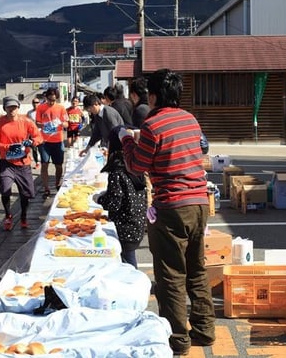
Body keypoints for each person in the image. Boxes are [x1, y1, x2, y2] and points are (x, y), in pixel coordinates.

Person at [119, 69, 215, 356]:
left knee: (171, 274)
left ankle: (178, 338)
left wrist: (126, 140)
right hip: (200, 202)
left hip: (172, 206)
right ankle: (205, 330)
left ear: (154, 95)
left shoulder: (152, 125)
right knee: (196, 269)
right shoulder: (190, 119)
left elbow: (137, 166)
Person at [92, 125, 147, 268]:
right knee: (129, 257)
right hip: (137, 221)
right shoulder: (134, 164)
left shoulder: (117, 170)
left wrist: (99, 199)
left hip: (125, 226)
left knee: (127, 263)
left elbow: (114, 203)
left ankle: (132, 287)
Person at [0, 96, 42, 230]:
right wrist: (8, 147)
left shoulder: (26, 121)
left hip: (23, 163)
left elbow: (39, 137)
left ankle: (23, 216)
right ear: (4, 108)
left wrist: (32, 142)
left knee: (26, 194)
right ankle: (8, 216)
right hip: (6, 162)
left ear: (18, 107)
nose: (12, 109)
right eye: (9, 107)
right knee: (5, 188)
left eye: (14, 106)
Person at [35, 87, 69, 198]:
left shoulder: (61, 108)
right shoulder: (40, 108)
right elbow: (37, 123)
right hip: (45, 141)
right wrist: (44, 125)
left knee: (59, 165)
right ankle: (46, 188)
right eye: (49, 99)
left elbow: (66, 123)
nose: (51, 102)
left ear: (57, 98)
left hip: (58, 141)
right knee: (44, 164)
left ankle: (57, 183)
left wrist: (62, 124)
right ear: (46, 97)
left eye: (54, 100)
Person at [26, 97, 42, 169]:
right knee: (34, 148)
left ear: (39, 103)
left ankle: (44, 160)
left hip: (41, 132)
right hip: (32, 133)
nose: (35, 104)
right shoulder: (29, 113)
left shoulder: (42, 111)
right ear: (32, 103)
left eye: (37, 102)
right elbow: (27, 123)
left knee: (42, 148)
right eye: (34, 102)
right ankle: (37, 162)